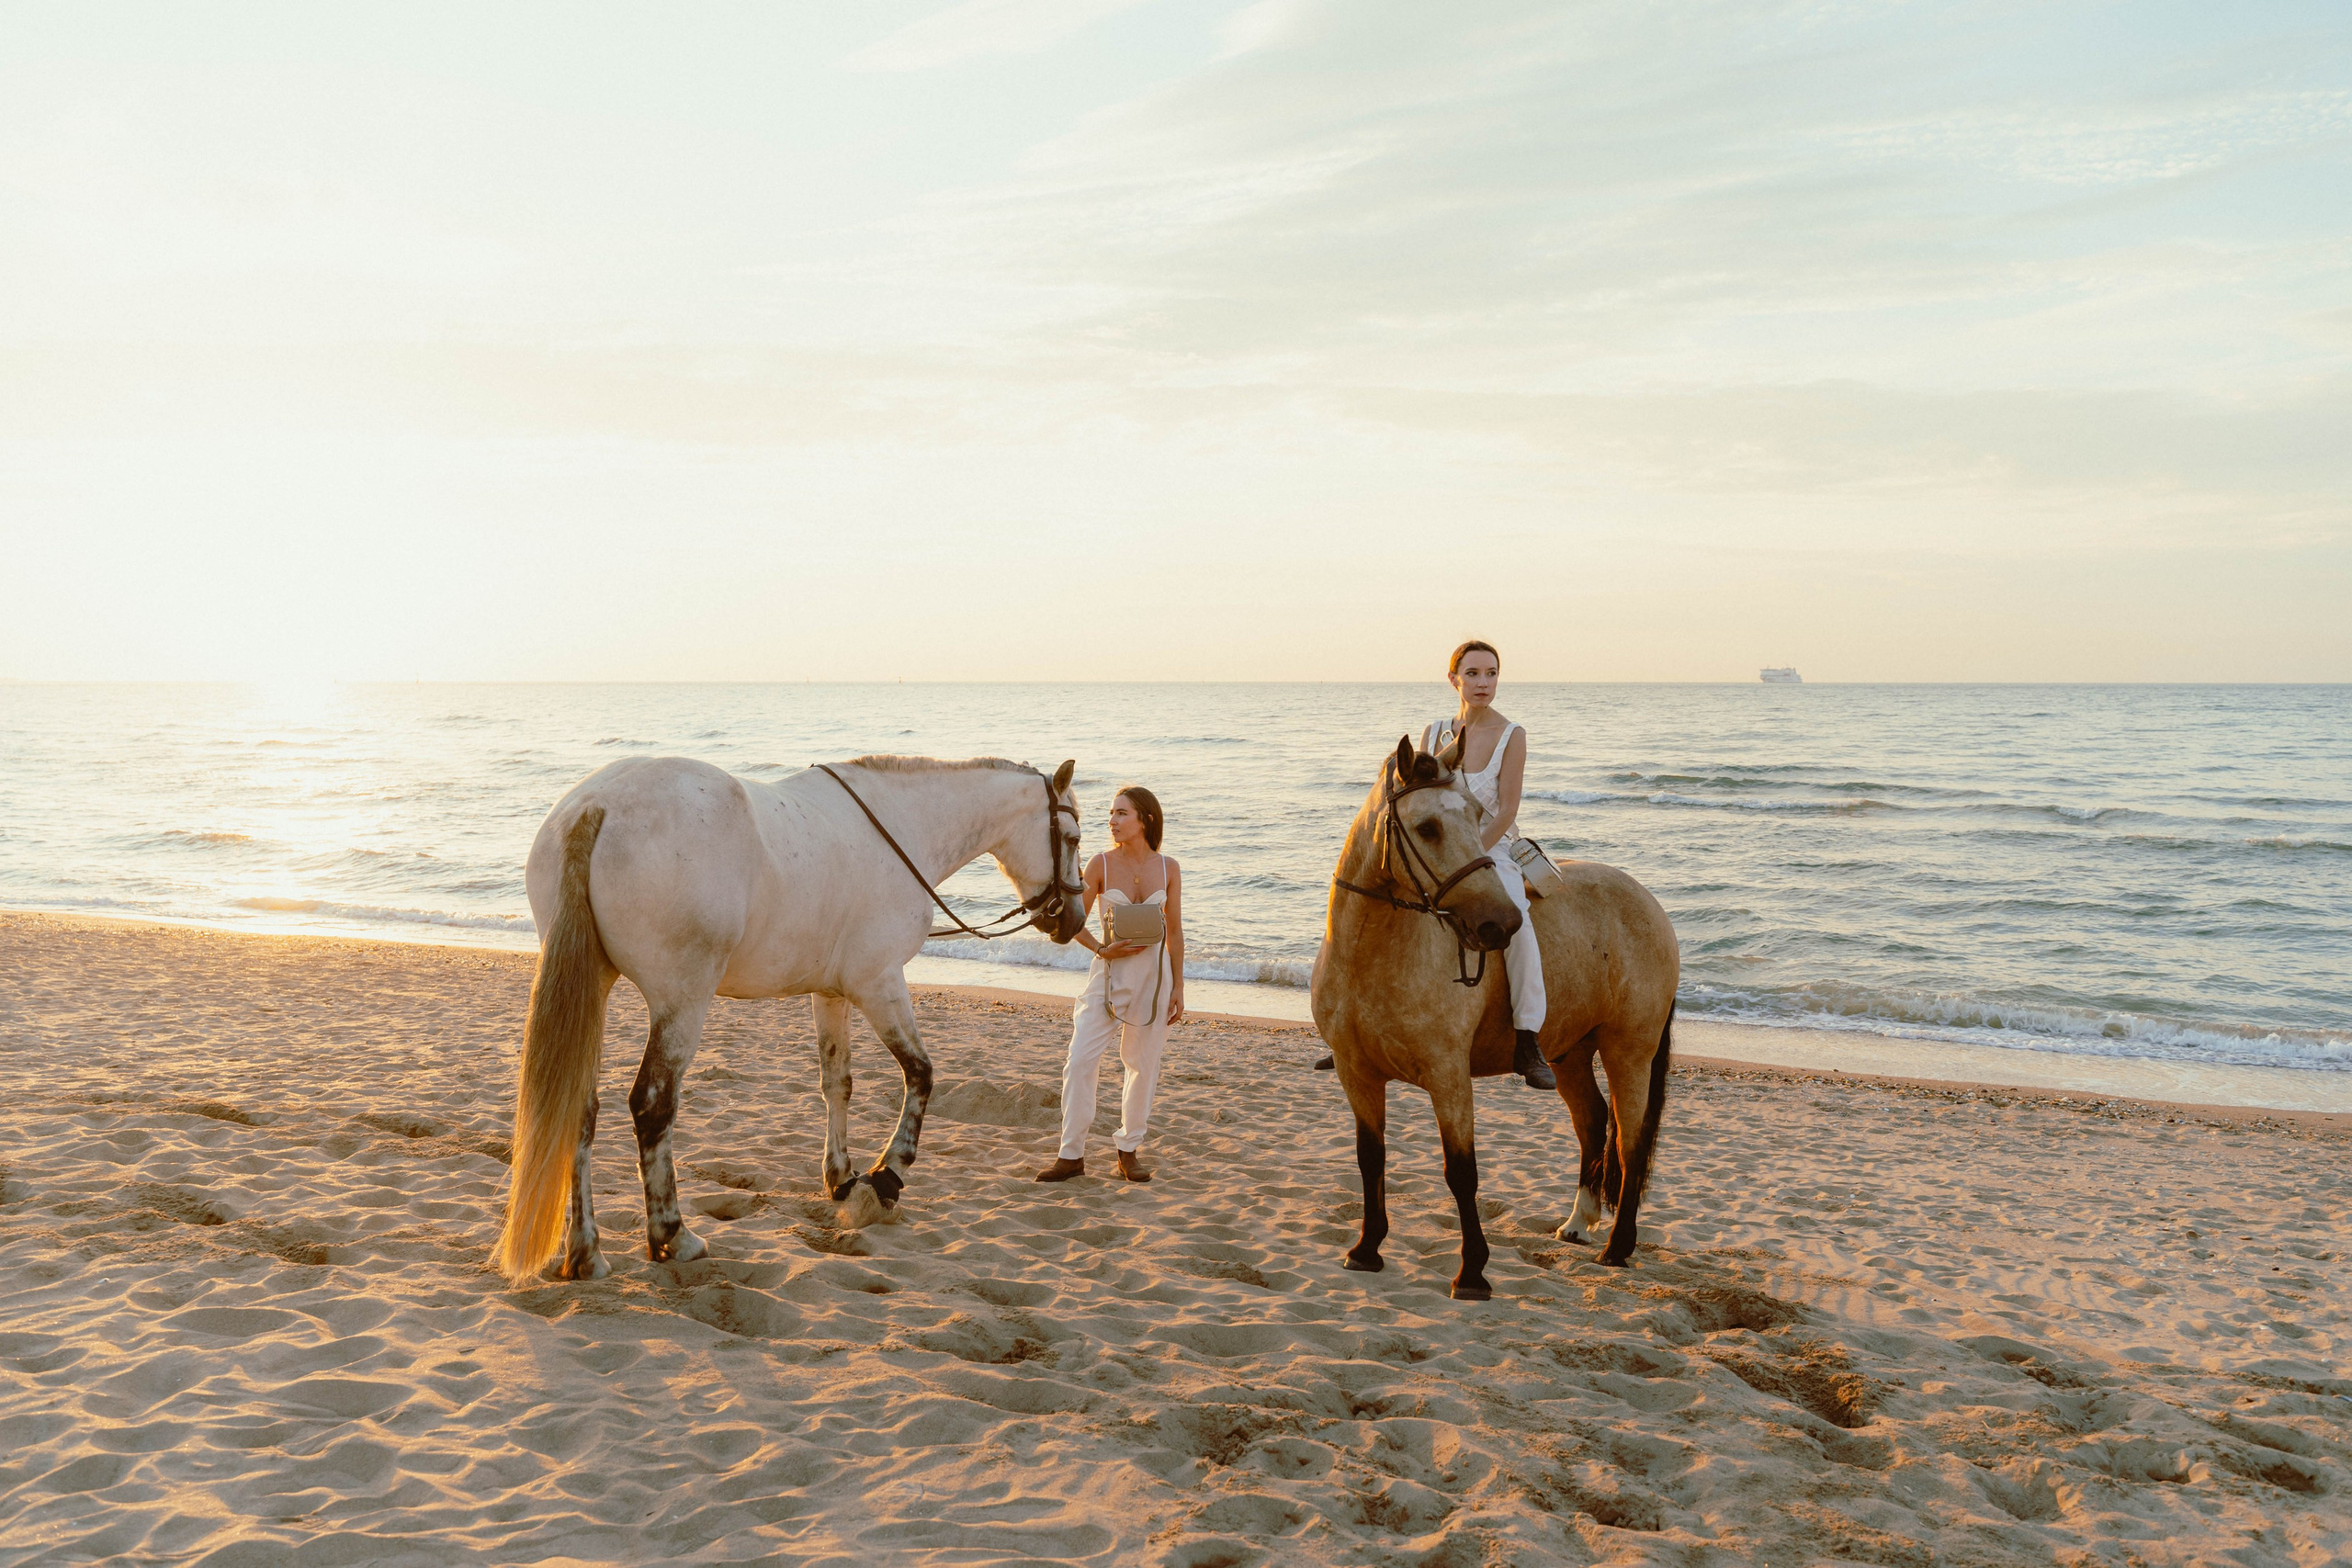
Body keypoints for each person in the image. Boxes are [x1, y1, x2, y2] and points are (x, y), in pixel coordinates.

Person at [1315, 639, 1555, 1089]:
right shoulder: (1435, 732)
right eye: (1473, 673)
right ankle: (1351, 1028)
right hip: (1435, 851)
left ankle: (1528, 1038)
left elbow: (1506, 811)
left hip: (1488, 849)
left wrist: (1471, 856)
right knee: (1372, 910)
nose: (1483, 683)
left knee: (1518, 922)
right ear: (1454, 679)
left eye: (1491, 673)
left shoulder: (1512, 735)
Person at [1035, 785, 1185, 1182]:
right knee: (1080, 1060)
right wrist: (1102, 949)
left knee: (1142, 1065)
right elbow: (1073, 922)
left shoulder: (1169, 868)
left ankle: (1128, 1151)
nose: (1112, 822)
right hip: (1107, 977)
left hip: (1154, 980)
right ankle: (1071, 1155)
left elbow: (1175, 932)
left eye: (1122, 813)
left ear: (1145, 819)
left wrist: (1178, 987)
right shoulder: (1100, 863)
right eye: (1111, 814)